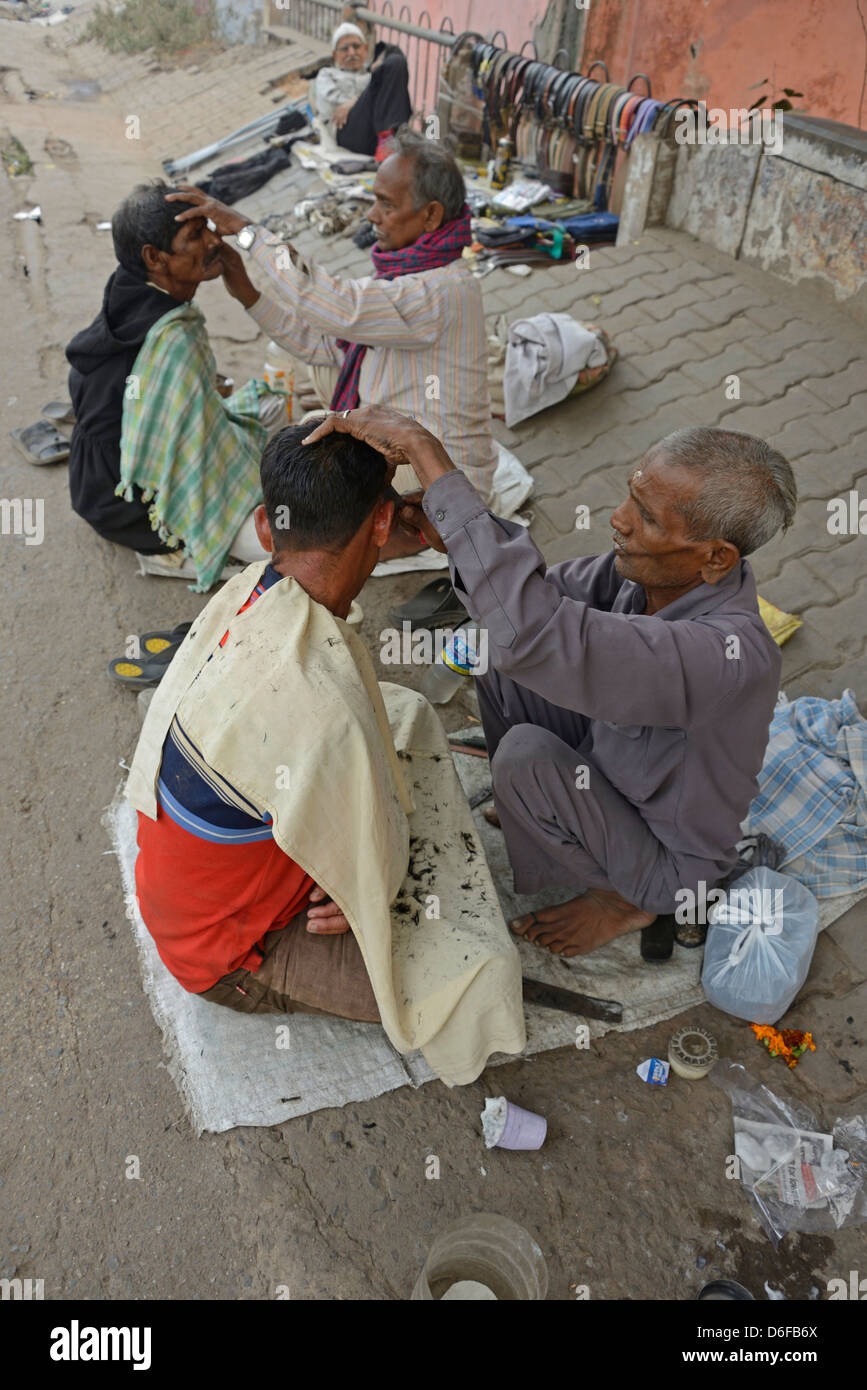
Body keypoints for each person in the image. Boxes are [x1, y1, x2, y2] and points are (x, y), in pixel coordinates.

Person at [302, 406, 798, 959]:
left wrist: (427, 455)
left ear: (715, 559)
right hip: (610, 772)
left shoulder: (725, 656)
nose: (620, 518)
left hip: (669, 863)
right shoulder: (652, 573)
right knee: (494, 652)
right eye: (631, 495)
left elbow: (536, 633)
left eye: (649, 518)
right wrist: (459, 536)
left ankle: (626, 898)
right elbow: (531, 604)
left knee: (524, 754)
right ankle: (543, 816)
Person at [123, 422, 525, 1080]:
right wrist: (360, 883)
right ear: (381, 525)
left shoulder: (246, 590)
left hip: (187, 890)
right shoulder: (322, 710)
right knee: (477, 976)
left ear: (263, 526)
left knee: (404, 714)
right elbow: (371, 853)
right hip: (227, 955)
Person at [168, 129, 504, 528]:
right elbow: (321, 342)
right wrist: (247, 292)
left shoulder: (440, 291)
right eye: (373, 201)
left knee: (311, 472)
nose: (371, 216)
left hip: (443, 475)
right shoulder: (414, 272)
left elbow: (331, 304)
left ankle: (402, 531)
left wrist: (247, 231)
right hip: (409, 435)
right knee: (324, 368)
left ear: (431, 215)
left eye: (386, 204)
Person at [66, 181, 286, 588]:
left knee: (274, 408)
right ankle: (177, 547)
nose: (213, 241)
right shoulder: (173, 338)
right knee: (290, 541)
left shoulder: (130, 286)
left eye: (208, 227)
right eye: (195, 235)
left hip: (93, 483)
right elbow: (195, 459)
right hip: (131, 506)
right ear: (155, 257)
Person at [314, 21, 412, 161]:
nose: (352, 53)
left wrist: (355, 99)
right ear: (335, 55)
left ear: (365, 49)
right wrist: (366, 93)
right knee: (385, 72)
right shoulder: (327, 75)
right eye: (344, 49)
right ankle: (387, 141)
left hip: (376, 132)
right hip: (349, 134)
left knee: (396, 60)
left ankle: (388, 140)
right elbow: (336, 110)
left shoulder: (371, 72)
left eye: (356, 46)